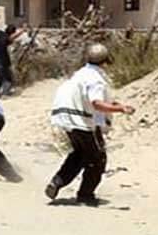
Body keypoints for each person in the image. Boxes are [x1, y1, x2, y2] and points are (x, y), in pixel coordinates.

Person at [45, 44, 135, 206]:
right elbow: (97, 104)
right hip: (82, 121)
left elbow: (91, 99)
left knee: (80, 154)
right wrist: (121, 109)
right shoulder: (96, 79)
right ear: (106, 61)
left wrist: (113, 104)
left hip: (65, 117)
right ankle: (86, 195)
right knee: (97, 159)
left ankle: (57, 181)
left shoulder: (81, 74)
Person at [0, 13, 25, 99]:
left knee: (6, 77)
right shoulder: (6, 38)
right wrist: (22, 31)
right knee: (0, 77)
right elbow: (12, 38)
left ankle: (1, 93)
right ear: (12, 32)